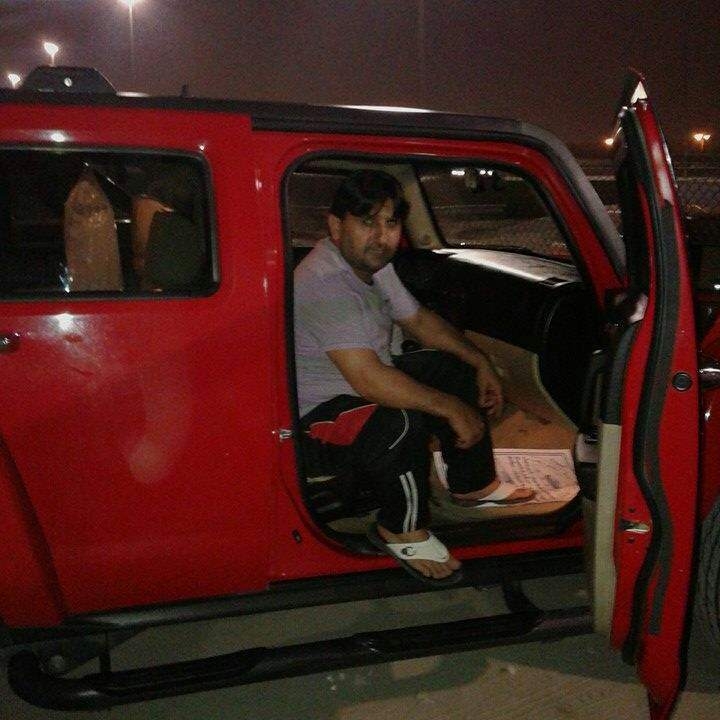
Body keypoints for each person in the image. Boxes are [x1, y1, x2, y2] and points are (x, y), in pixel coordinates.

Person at [294, 170, 534, 586]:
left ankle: (472, 485)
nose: (381, 236)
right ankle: (401, 527)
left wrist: (479, 360)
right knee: (397, 421)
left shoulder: (373, 265)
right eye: (366, 222)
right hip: (317, 418)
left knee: (451, 369)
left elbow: (419, 321)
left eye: (390, 223)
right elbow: (370, 381)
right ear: (335, 226)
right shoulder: (325, 283)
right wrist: (453, 409)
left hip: (361, 383)